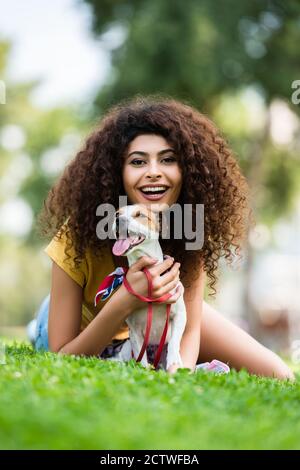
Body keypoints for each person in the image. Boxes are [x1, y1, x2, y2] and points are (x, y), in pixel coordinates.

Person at [31, 95, 294, 380]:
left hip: (159, 323)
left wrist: (178, 373)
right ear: (117, 173)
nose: (154, 173)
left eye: (168, 160)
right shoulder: (78, 234)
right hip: (85, 328)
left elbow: (190, 329)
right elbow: (61, 358)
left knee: (279, 374)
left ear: (187, 171)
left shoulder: (188, 228)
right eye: (138, 162)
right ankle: (36, 325)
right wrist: (127, 298)